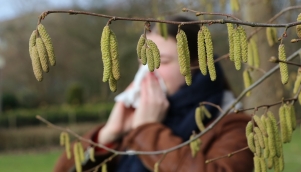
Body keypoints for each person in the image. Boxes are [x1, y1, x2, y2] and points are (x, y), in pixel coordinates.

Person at [54, 16, 254, 172]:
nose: (148, 71)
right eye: (144, 62)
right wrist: (106, 137)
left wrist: (147, 131)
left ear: (197, 64)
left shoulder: (231, 126)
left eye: (163, 61)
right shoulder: (133, 120)